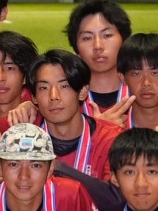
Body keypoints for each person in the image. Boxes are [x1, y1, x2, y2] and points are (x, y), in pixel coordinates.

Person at [29, 48, 120, 178]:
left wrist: (61, 169)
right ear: (34, 97)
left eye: (64, 86)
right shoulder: (21, 138)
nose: (54, 96)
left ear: (82, 92)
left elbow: (115, 190)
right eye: (44, 88)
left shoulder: (112, 140)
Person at [65, 0, 132, 115]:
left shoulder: (142, 94)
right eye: (87, 38)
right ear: (76, 48)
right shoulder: (64, 101)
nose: (98, 46)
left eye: (107, 35)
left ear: (124, 40)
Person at [117, 31, 158, 135]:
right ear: (122, 78)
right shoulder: (111, 131)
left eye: (155, 73)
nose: (146, 83)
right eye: (136, 74)